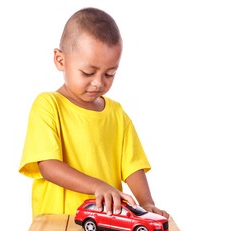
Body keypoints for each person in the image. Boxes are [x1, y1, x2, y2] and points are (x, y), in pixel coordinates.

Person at [19, 7, 168, 219]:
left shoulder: (116, 113)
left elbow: (133, 166)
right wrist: (98, 186)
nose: (98, 82)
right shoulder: (48, 105)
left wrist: (146, 202)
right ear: (60, 60)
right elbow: (48, 166)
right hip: (57, 226)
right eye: (88, 72)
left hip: (106, 224)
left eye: (110, 73)